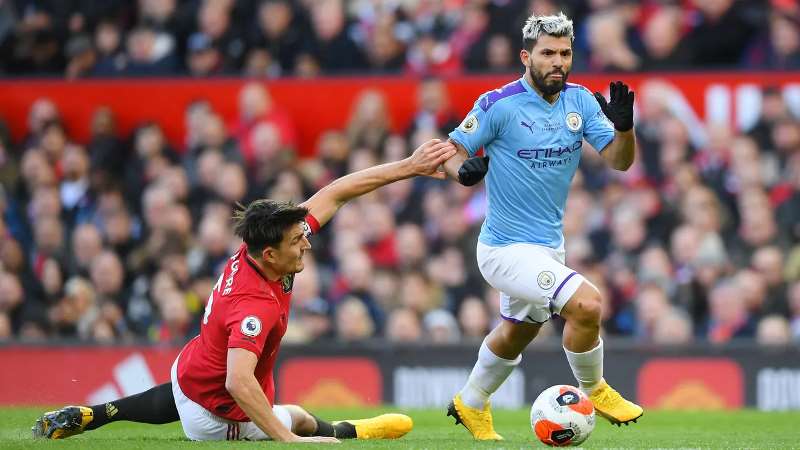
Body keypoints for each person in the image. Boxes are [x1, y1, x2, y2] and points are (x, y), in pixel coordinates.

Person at [32, 139, 457, 442]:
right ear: (271, 254)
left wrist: (409, 166)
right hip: (218, 417)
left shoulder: (261, 248)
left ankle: (97, 414)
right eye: (298, 241)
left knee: (188, 394)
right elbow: (238, 382)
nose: (307, 241)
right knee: (296, 420)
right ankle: (350, 432)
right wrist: (287, 441)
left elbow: (337, 191)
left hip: (192, 372)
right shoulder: (253, 304)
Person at [441, 12, 642, 440]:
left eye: (565, 53)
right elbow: (450, 150)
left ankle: (471, 402)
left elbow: (620, 161)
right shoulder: (499, 104)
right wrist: (463, 171)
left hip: (548, 246)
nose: (558, 62)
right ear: (525, 56)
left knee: (518, 332)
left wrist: (625, 128)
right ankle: (595, 389)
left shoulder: (582, 102)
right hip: (503, 249)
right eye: (548, 53)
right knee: (587, 305)